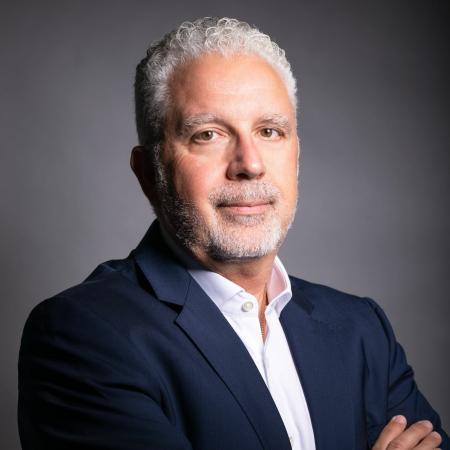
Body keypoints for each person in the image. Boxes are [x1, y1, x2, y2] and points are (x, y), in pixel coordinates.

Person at [18, 17, 448, 450]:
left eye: (269, 131)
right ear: (148, 172)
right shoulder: (84, 335)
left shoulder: (361, 328)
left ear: (296, 156)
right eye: (208, 134)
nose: (250, 164)